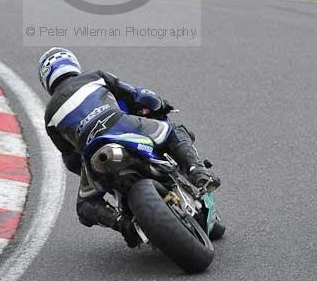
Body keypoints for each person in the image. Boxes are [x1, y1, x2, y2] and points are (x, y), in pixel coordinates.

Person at [40, 47, 223, 247]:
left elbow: (70, 159)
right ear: (72, 63)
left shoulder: (49, 116)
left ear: (46, 80)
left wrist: (89, 171)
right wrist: (160, 105)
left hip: (93, 154)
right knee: (173, 130)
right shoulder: (95, 77)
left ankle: (123, 224)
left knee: (85, 206)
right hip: (122, 125)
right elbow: (139, 95)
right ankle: (197, 171)